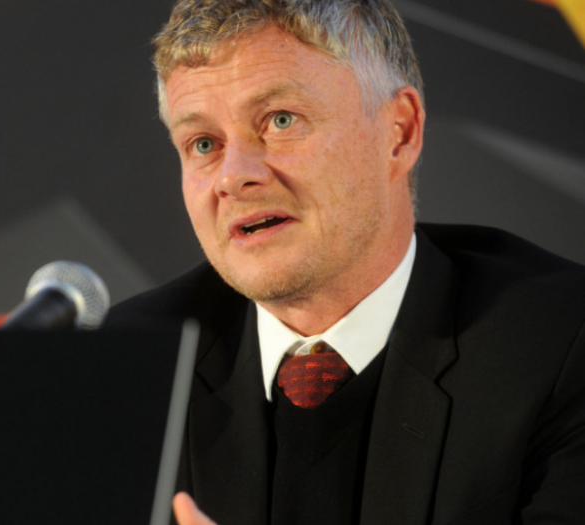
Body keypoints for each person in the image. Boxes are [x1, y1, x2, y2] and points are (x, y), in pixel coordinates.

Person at [104, 0, 585, 523]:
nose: (233, 176)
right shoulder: (132, 365)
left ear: (399, 132)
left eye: (280, 120)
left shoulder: (560, 344)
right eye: (203, 144)